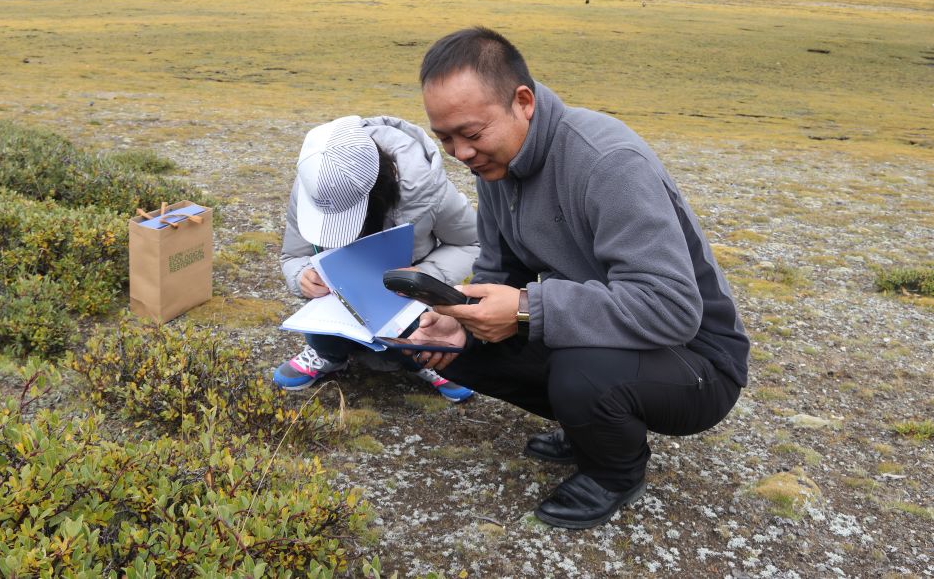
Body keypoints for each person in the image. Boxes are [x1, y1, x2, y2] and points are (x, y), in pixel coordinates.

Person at [407, 27, 750, 528]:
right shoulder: (497, 169)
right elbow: (501, 274)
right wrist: (461, 320)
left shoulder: (607, 162)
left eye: (472, 134)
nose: (460, 153)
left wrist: (526, 308)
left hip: (699, 361)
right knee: (462, 348)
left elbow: (672, 308)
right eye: (445, 138)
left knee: (581, 374)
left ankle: (615, 472)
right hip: (622, 335)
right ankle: (588, 423)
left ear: (522, 101)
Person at [274, 115, 479, 402]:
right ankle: (328, 354)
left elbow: (472, 241)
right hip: (341, 300)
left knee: (418, 333)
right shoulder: (314, 186)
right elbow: (295, 254)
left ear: (380, 188)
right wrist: (302, 277)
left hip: (408, 299)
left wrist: (424, 275)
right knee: (322, 322)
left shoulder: (425, 190)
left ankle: (426, 359)